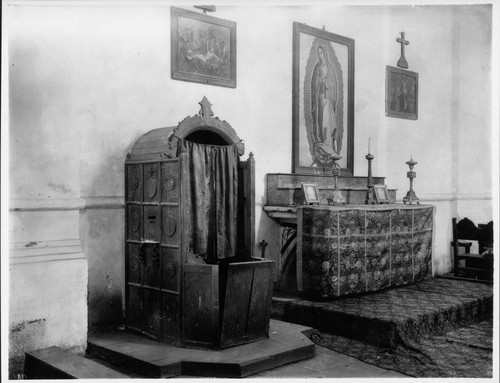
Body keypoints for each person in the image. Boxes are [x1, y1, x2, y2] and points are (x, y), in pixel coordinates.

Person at [311, 45, 340, 166]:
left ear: (325, 54)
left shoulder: (331, 68)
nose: (320, 56)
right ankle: (321, 142)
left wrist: (326, 82)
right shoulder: (317, 67)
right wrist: (319, 81)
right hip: (320, 98)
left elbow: (334, 86)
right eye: (319, 54)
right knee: (320, 120)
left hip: (328, 98)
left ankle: (329, 144)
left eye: (322, 53)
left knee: (327, 122)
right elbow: (314, 83)